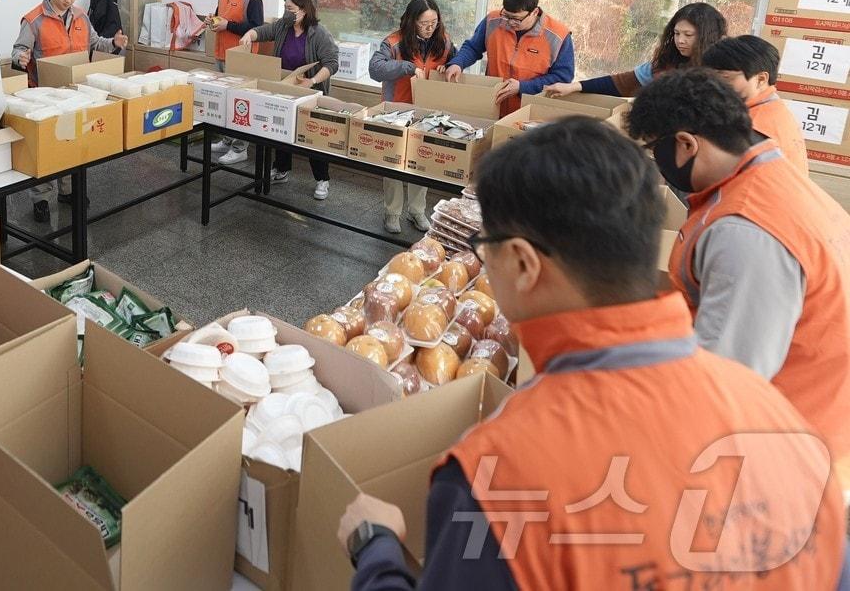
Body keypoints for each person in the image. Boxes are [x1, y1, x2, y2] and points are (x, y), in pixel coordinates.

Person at [339, 116, 848, 589]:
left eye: (484, 244)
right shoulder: (786, 429)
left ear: (521, 262)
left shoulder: (499, 475)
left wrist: (377, 549)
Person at [627, 67, 850, 487]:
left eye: (654, 150)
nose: (655, 165)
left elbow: (726, 380)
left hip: (784, 449)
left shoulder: (747, 230)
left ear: (687, 144)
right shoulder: (769, 175)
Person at [12, 0, 128, 223]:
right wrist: (20, 57)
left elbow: (96, 43)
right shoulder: (33, 20)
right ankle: (40, 199)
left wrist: (115, 44)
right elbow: (19, 49)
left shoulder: (81, 16)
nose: (69, 0)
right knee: (44, 149)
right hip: (44, 96)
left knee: (71, 144)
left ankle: (68, 191)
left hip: (76, 93)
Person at [239, 0, 340, 201]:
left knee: (312, 136)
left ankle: (322, 179)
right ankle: (281, 169)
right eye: (285, 8)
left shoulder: (318, 33)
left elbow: (331, 63)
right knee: (280, 129)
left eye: (291, 9)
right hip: (284, 88)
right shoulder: (284, 26)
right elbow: (264, 32)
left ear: (304, 10)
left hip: (309, 91)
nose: (287, 13)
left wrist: (312, 81)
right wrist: (250, 34)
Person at [368, 0, 456, 234]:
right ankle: (392, 212)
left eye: (434, 22)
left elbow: (457, 62)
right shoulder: (394, 42)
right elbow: (375, 69)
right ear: (411, 22)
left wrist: (449, 67)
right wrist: (407, 67)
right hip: (396, 110)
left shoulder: (444, 42)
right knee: (394, 163)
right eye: (423, 23)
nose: (430, 28)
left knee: (422, 162)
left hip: (428, 113)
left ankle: (417, 211)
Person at [444, 0, 574, 116]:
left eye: (516, 19)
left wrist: (523, 87)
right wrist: (458, 63)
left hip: (530, 113)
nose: (510, 22)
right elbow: (473, 47)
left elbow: (562, 78)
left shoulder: (558, 36)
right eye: (506, 16)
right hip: (493, 105)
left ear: (534, 12)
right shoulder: (493, 20)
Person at [545, 2, 726, 98]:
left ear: (707, 36)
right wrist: (574, 86)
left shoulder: (724, 69)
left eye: (688, 35)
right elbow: (621, 82)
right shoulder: (664, 62)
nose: (680, 40)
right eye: (677, 33)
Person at [700, 34, 810, 176]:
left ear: (761, 79)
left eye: (725, 78)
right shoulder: (774, 108)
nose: (713, 86)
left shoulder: (753, 126)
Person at [209, 0, 265, 166]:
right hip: (220, 54)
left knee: (241, 104)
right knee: (224, 102)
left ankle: (240, 148)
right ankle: (227, 139)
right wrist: (213, 23)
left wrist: (227, 25)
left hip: (241, 59)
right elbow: (219, 17)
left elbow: (256, 27)